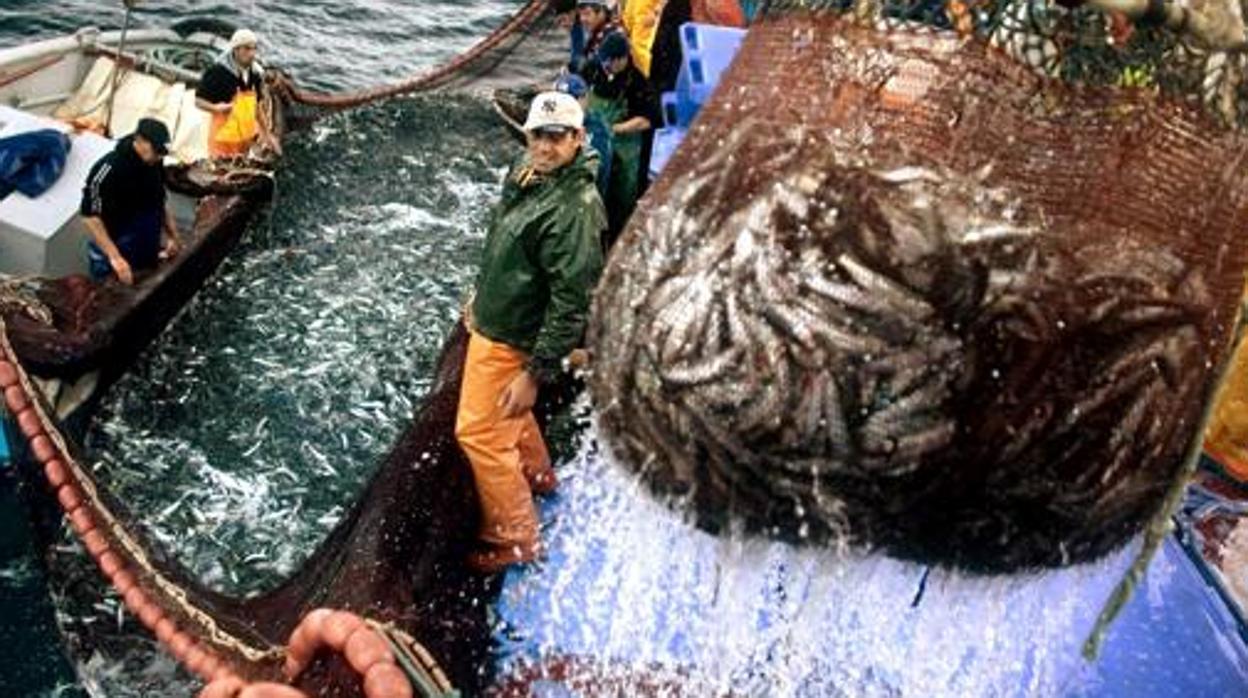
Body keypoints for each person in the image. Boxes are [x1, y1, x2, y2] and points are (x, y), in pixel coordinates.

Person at [456, 91, 606, 574]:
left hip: (512, 338)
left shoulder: (573, 210)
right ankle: (538, 476)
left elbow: (570, 301)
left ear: (578, 138)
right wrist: (484, 298)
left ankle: (515, 537)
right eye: (537, 136)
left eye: (557, 137)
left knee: (479, 434)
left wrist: (536, 373)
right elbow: (509, 244)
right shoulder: (533, 175)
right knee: (510, 418)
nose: (544, 147)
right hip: (499, 320)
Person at [80, 118, 181, 285]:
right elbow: (89, 216)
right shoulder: (108, 169)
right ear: (139, 141)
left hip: (143, 240)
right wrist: (115, 258)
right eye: (156, 152)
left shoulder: (155, 162)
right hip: (113, 241)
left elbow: (158, 200)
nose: (159, 157)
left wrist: (173, 235)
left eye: (162, 153)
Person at [586, 32, 660, 246]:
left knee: (621, 196)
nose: (605, 67)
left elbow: (648, 120)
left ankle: (617, 236)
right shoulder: (594, 68)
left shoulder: (637, 83)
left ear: (622, 59)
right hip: (594, 139)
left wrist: (614, 128)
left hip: (625, 149)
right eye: (603, 61)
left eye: (610, 63)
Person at [195, 29, 280, 158]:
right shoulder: (217, 73)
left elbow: (257, 107)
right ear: (235, 49)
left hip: (245, 139)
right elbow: (198, 101)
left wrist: (267, 135)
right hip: (222, 142)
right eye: (246, 48)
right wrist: (215, 108)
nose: (252, 53)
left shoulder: (255, 74)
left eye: (253, 49)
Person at [554, 73, 612, 201]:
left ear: (584, 98)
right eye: (561, 101)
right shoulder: (558, 124)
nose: (565, 107)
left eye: (571, 101)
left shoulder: (596, 132)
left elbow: (596, 174)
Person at [572, 0, 626, 79]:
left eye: (587, 14)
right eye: (580, 14)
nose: (582, 19)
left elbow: (602, 69)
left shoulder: (614, 35)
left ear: (601, 12)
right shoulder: (596, 34)